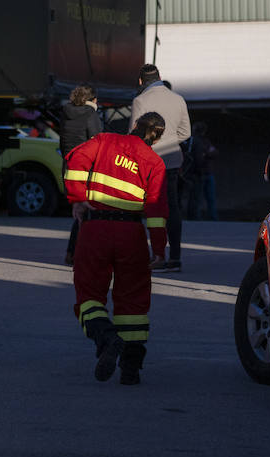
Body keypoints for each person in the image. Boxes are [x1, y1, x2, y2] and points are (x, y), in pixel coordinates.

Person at [65, 111, 168, 385]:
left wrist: (77, 197)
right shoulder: (155, 162)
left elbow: (75, 159)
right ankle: (130, 369)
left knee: (88, 292)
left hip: (95, 228)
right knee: (133, 300)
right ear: (156, 139)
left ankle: (106, 337)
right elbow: (156, 208)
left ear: (134, 126)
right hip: (131, 234)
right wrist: (159, 248)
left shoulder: (104, 140)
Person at [129, 64, 190, 272]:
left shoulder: (140, 101)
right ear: (160, 77)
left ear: (140, 81)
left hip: (147, 163)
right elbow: (186, 133)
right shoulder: (178, 99)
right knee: (172, 207)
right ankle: (175, 257)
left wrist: (152, 144)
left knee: (149, 209)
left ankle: (152, 254)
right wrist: (170, 142)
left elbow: (133, 134)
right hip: (172, 161)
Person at [60, 84, 103, 266]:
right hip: (86, 168)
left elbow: (62, 143)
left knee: (80, 210)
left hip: (69, 166)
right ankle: (77, 253)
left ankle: (72, 252)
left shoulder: (66, 114)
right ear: (93, 100)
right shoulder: (91, 115)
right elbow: (96, 142)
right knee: (87, 212)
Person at [184, 120, 218, 221]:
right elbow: (199, 156)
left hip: (203, 173)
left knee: (202, 197)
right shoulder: (196, 142)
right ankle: (199, 217)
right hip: (200, 173)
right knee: (200, 197)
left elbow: (214, 153)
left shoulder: (203, 141)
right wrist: (206, 154)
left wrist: (205, 154)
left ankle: (205, 217)